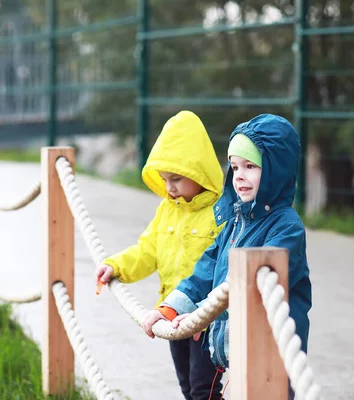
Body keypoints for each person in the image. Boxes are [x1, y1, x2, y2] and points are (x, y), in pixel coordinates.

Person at [143, 114, 313, 400]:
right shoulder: (234, 222)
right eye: (234, 167)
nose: (240, 176)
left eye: (250, 166)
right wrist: (170, 308)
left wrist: (202, 315)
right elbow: (205, 271)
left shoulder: (286, 227)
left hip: (271, 355)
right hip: (235, 353)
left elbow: (255, 290)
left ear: (275, 170)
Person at [95, 110, 226, 400]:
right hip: (170, 314)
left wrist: (206, 313)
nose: (169, 187)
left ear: (199, 171)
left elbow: (222, 268)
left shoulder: (220, 214)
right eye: (165, 179)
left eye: (177, 178)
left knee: (205, 389)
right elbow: (147, 250)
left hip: (207, 319)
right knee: (187, 388)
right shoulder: (167, 209)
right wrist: (115, 266)